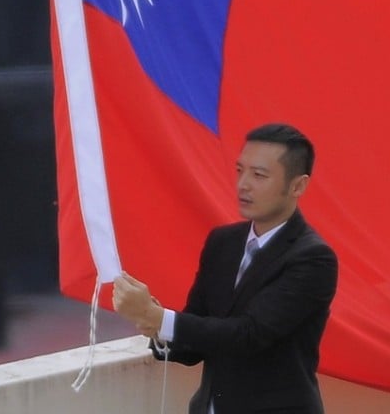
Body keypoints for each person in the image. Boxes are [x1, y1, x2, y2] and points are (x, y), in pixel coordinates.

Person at [113, 123, 338, 414]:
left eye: (259, 175)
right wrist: (155, 326)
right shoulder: (223, 242)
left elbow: (249, 335)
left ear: (298, 186)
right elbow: (196, 337)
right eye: (240, 170)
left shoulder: (314, 258)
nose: (243, 184)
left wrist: (158, 317)